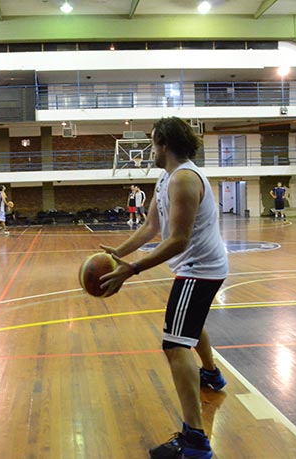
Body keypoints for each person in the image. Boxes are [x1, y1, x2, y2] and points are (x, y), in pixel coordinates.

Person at [100, 117, 228, 459]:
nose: (149, 148)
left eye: (152, 142)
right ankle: (213, 376)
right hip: (197, 267)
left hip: (200, 269)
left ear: (164, 143)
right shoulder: (165, 177)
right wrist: (118, 253)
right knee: (190, 325)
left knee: (174, 345)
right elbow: (151, 227)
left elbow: (178, 240)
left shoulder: (185, 179)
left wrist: (133, 269)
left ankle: (196, 442)